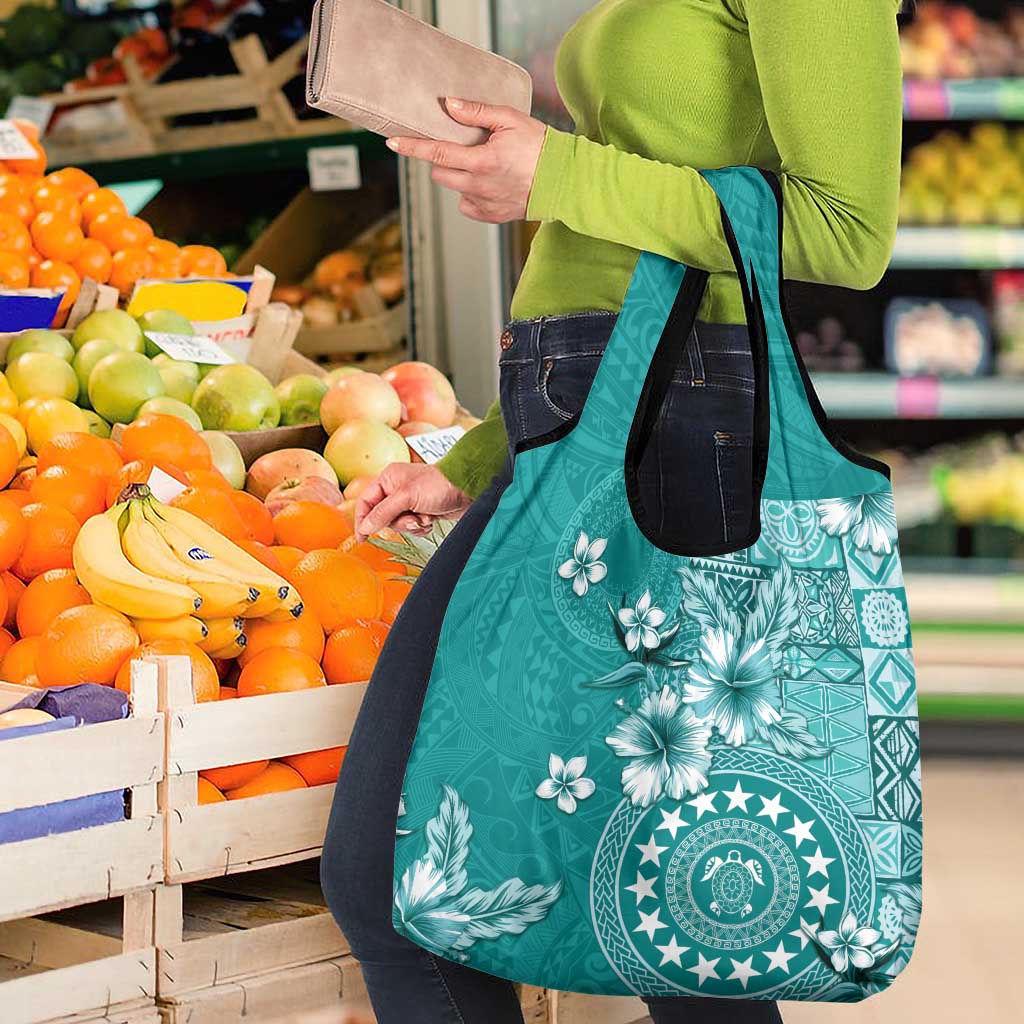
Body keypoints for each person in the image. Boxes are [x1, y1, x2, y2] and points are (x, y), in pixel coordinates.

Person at [321, 2, 905, 1022]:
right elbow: (623, 243)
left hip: (677, 444)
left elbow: (848, 231)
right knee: (675, 921)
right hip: (593, 428)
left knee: (418, 881)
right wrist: (480, 456)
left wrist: (557, 173)